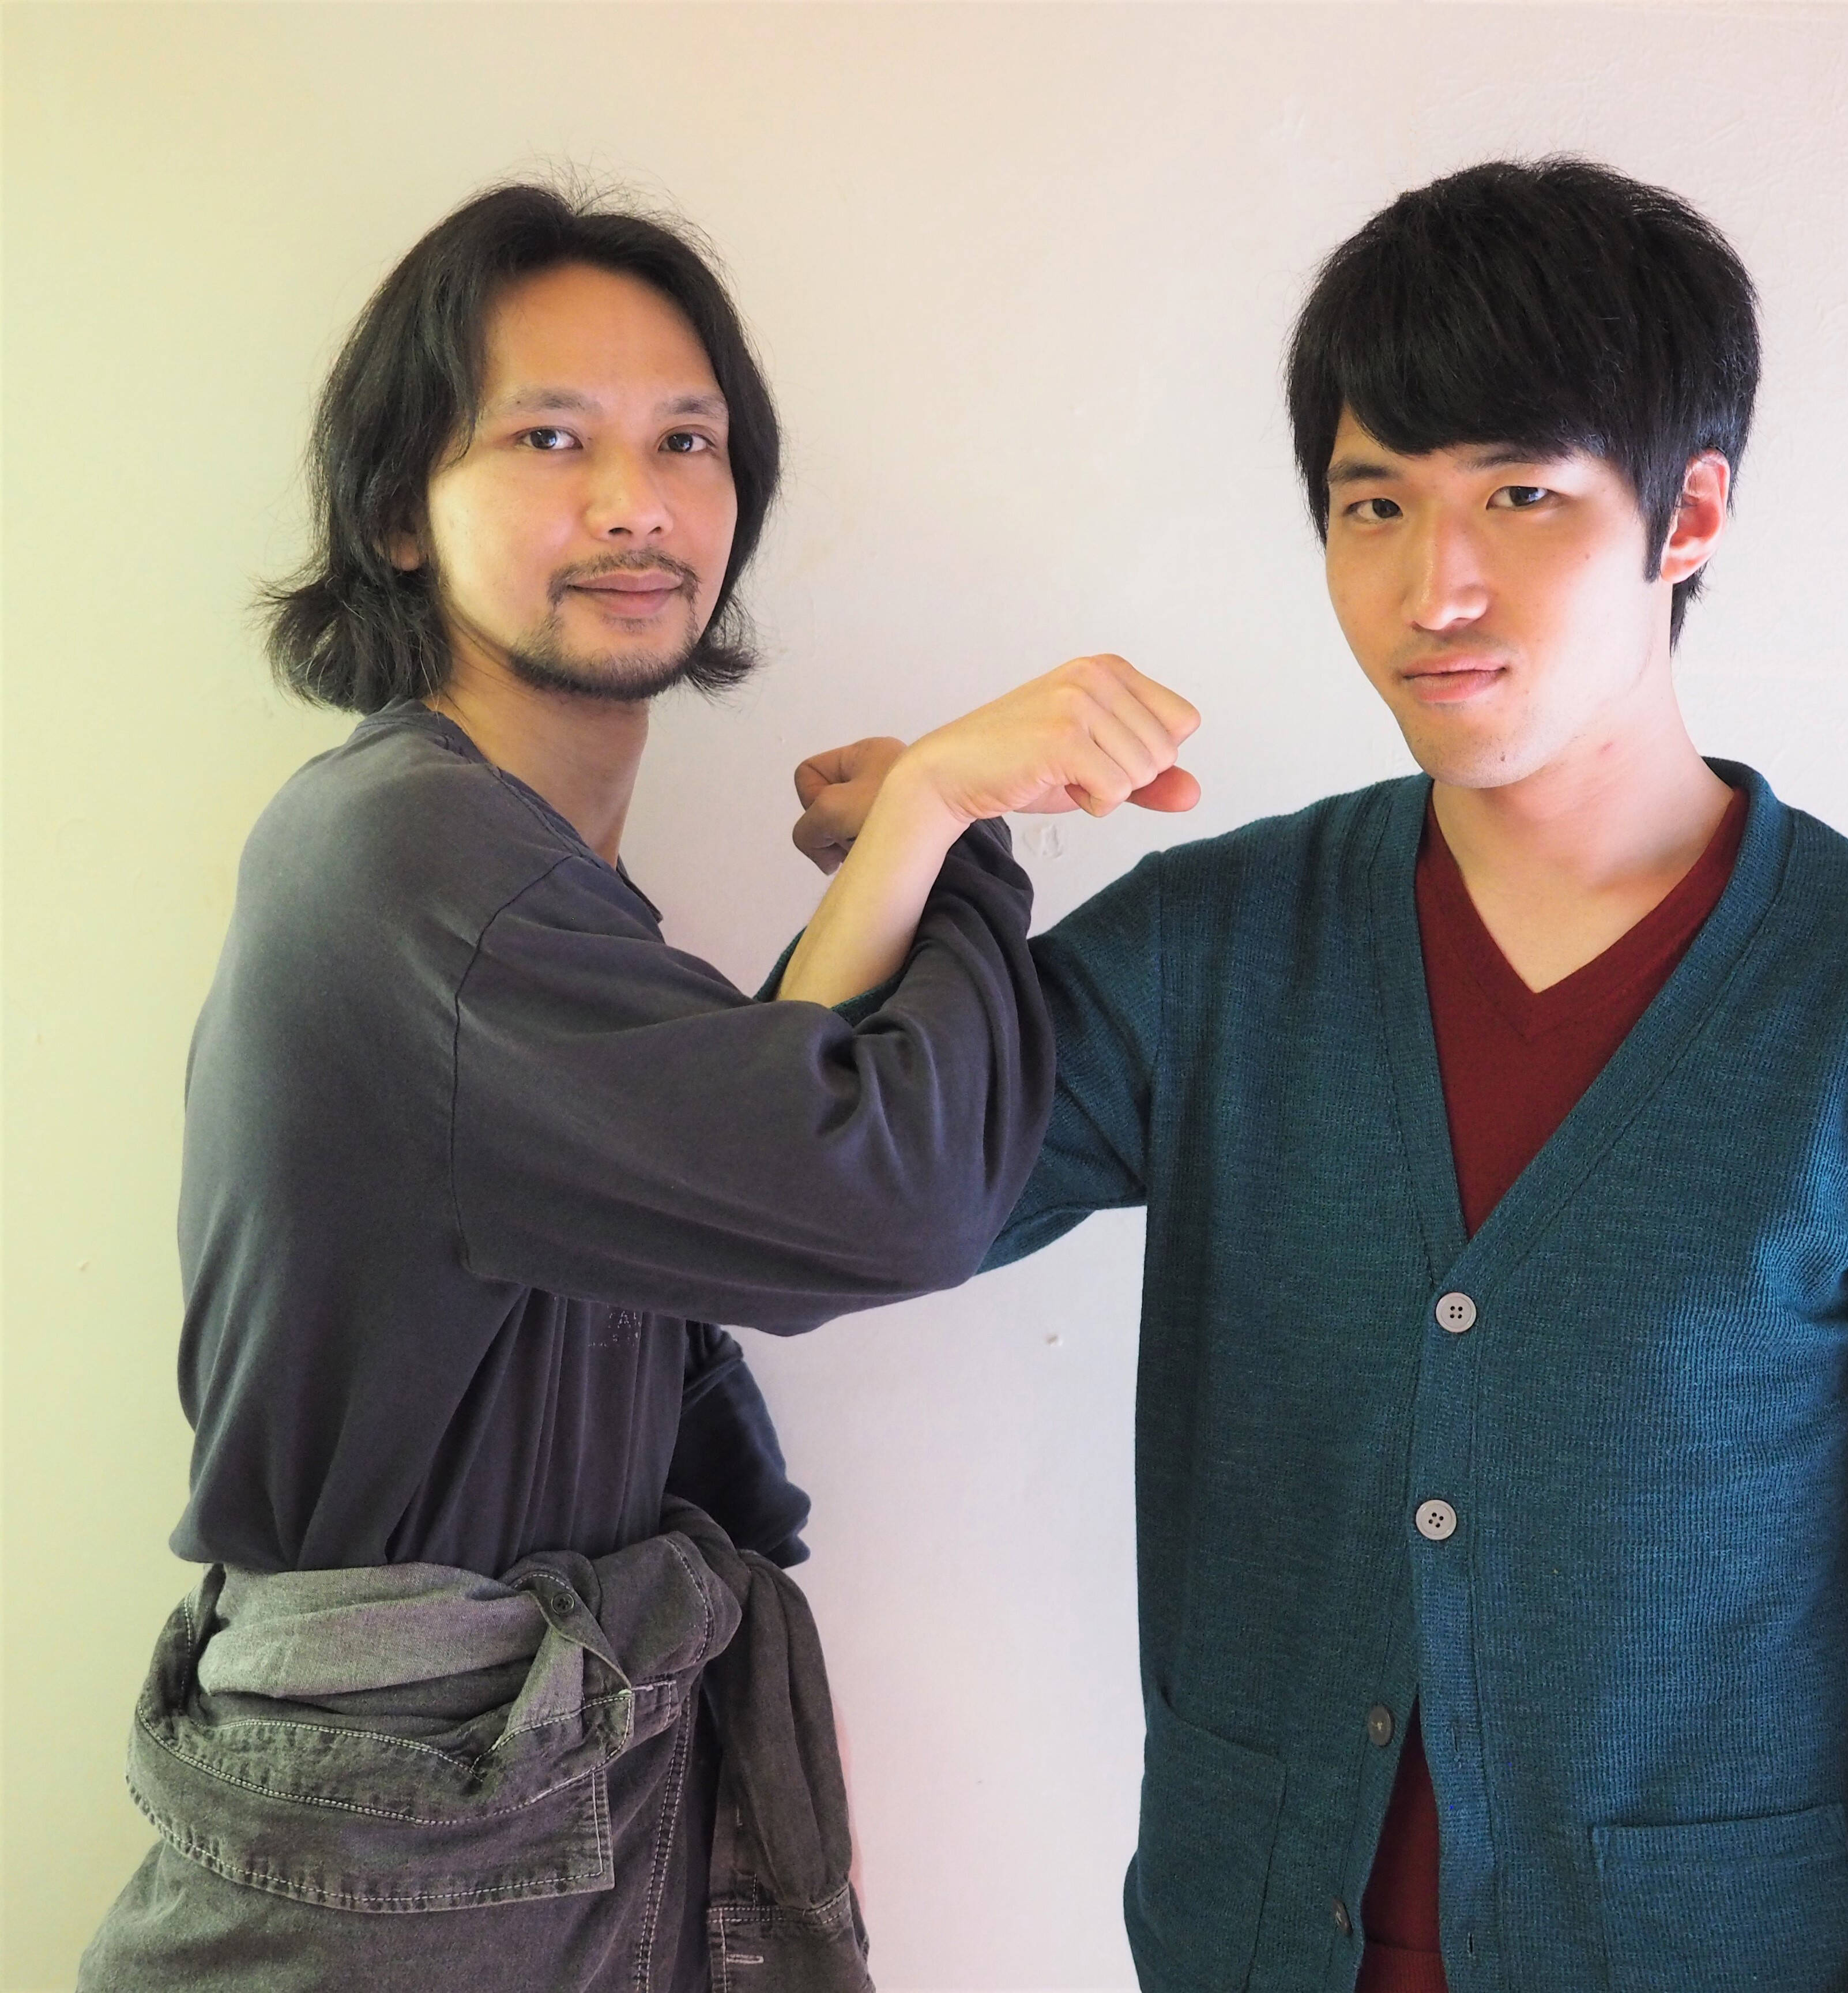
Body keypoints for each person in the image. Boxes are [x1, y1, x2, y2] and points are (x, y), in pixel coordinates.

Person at [793, 159, 1848, 1993]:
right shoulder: (1223, 949)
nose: (1438, 586)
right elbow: (811, 1215)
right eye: (1375, 505)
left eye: (1521, 494)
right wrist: (926, 819)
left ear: (1688, 513)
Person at [79, 182, 1198, 1993]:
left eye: (687, 439)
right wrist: (949, 820)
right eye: (550, 439)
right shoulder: (417, 862)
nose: (636, 501)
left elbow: (729, 1155)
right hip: (414, 1844)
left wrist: (908, 851)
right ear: (396, 512)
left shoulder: (489, 860)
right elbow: (872, 1195)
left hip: (489, 1811)